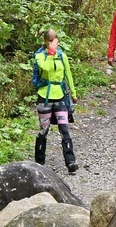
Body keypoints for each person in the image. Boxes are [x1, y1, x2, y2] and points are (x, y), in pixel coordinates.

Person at [34, 29, 79, 173]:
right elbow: (46, 68)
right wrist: (50, 53)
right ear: (45, 42)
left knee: (64, 129)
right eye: (50, 40)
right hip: (44, 96)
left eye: (55, 40)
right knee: (44, 130)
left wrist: (73, 93)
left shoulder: (62, 56)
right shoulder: (40, 56)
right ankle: (39, 163)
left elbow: (68, 74)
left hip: (60, 95)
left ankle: (70, 161)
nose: (53, 43)